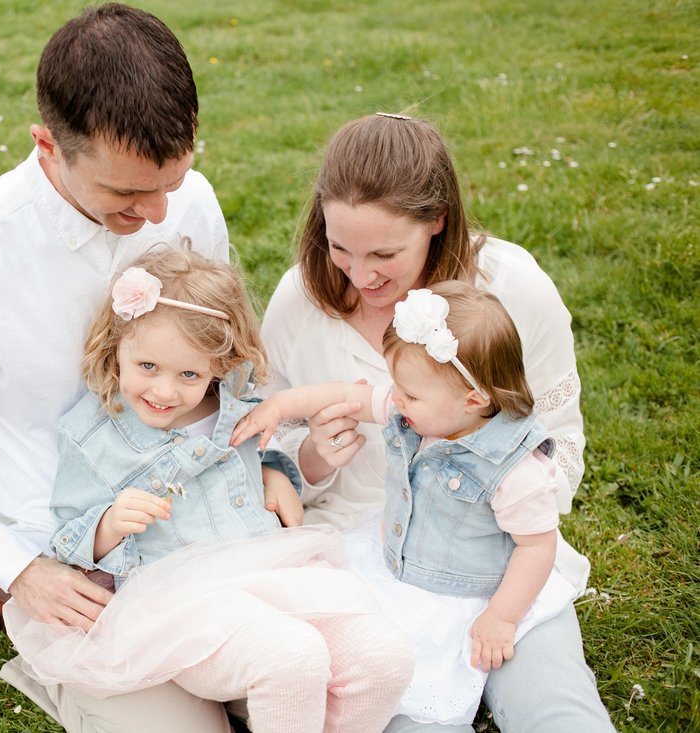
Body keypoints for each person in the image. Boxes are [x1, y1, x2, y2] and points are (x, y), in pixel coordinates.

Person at [0, 5, 241, 731]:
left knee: (325, 690)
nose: (161, 212)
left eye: (173, 179)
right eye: (128, 194)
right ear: (47, 146)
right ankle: (16, 614)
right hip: (68, 564)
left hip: (204, 524)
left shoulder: (188, 198)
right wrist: (16, 566)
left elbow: (217, 360)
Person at [259, 113, 614, 732]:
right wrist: (313, 458)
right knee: (408, 718)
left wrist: (503, 512)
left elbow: (561, 437)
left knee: (557, 711)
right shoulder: (299, 303)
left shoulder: (511, 289)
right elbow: (271, 467)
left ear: (438, 221)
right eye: (340, 247)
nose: (361, 275)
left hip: (501, 558)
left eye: (385, 254)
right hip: (362, 562)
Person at [4, 248, 413, 733]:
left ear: (218, 368)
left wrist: (277, 470)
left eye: (189, 375)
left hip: (271, 575)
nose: (164, 391)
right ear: (117, 348)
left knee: (384, 659)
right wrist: (108, 524)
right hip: (180, 605)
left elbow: (255, 465)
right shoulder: (96, 436)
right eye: (148, 366)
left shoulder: (238, 407)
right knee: (290, 658)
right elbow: (67, 536)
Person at [235, 281, 585, 725]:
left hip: (477, 590)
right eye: (397, 387)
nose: (396, 400)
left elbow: (536, 546)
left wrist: (500, 617)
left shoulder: (515, 470)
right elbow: (351, 396)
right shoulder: (424, 409)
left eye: (410, 394)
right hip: (403, 579)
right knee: (398, 694)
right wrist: (281, 406)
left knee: (452, 689)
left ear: (474, 399)